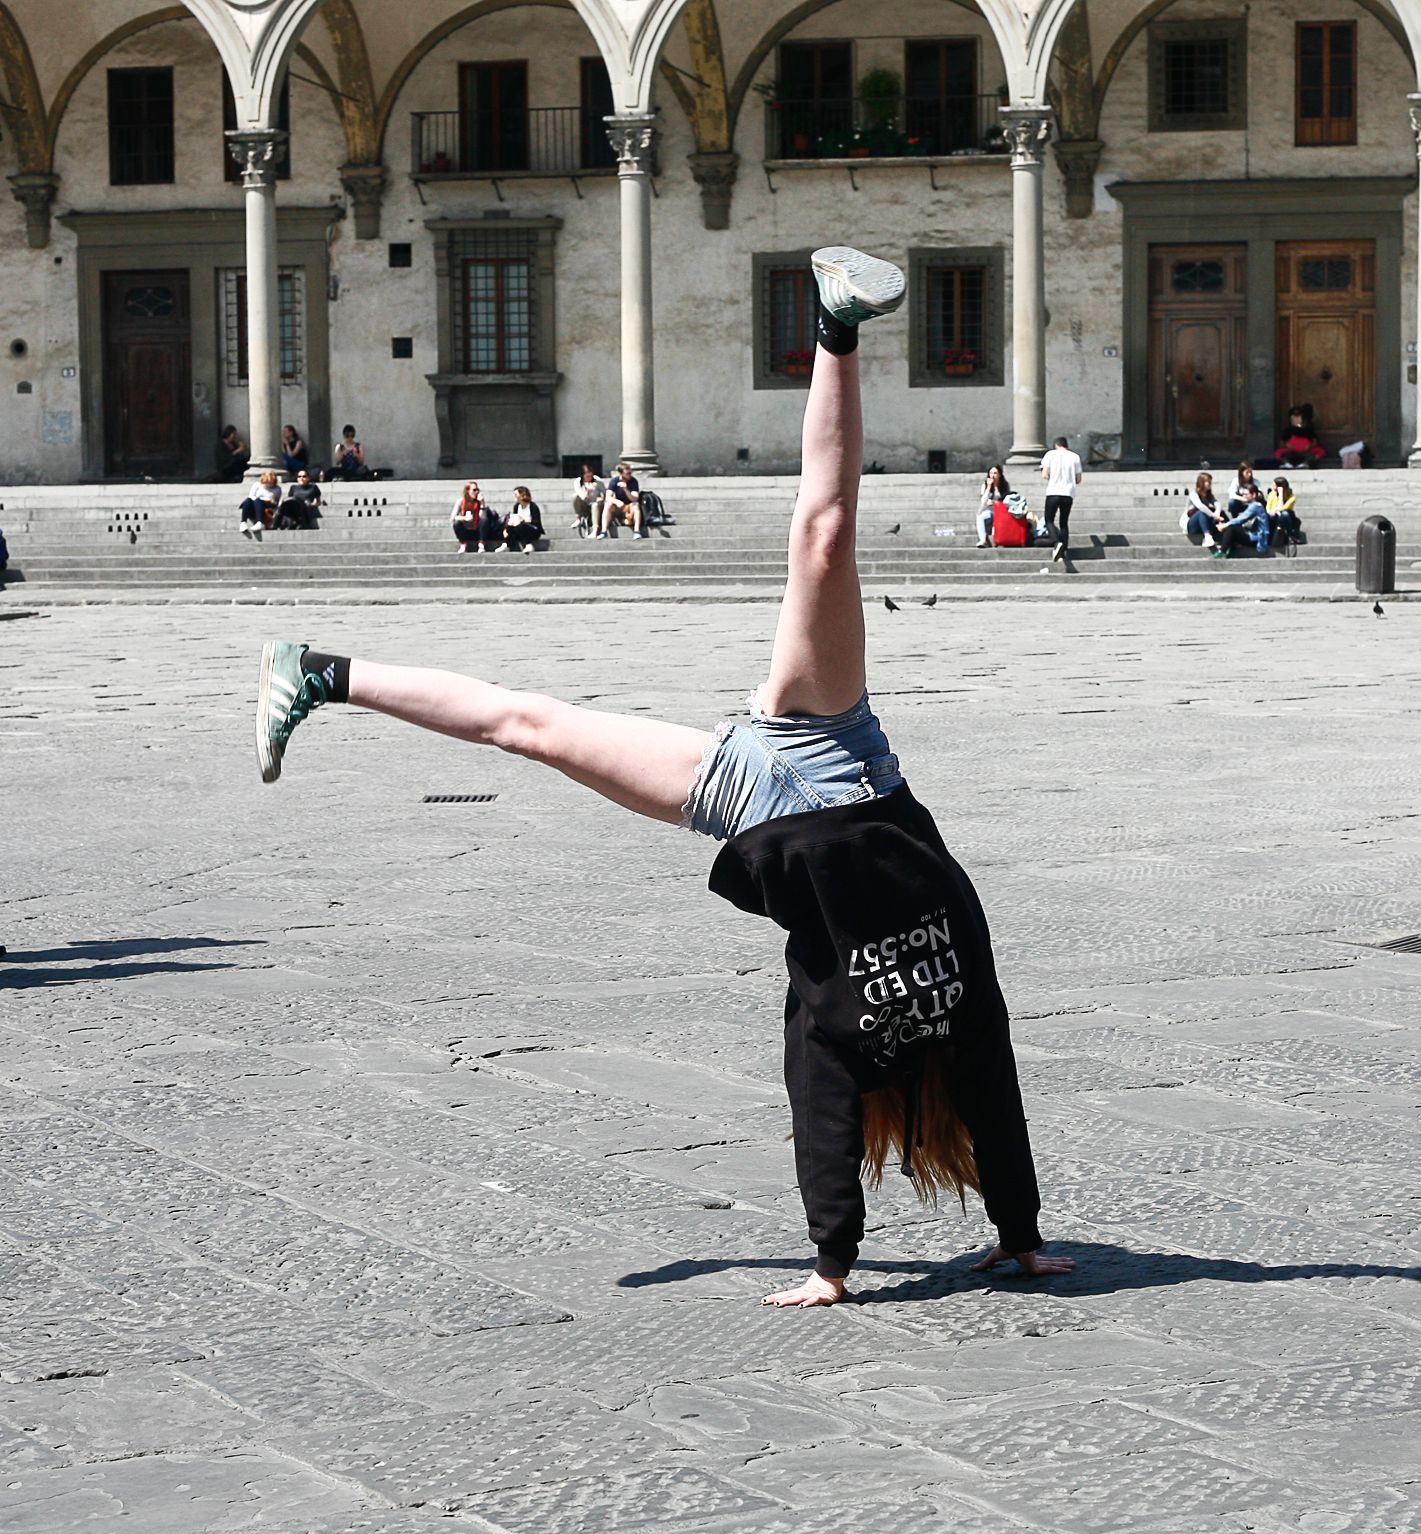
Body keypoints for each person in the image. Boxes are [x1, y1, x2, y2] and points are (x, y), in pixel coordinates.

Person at [251, 244, 1074, 1308]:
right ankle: (835, 325)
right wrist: (1019, 1231)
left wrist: (831, 1266)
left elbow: (817, 1107)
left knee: (528, 728)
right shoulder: (962, 1021)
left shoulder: (842, 1033)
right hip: (845, 760)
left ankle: (316, 672)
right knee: (824, 543)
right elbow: (997, 1089)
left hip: (751, 796)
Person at [1039, 437, 1082, 566]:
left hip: (1053, 491)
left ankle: (1057, 542)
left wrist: (1053, 476)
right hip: (1068, 493)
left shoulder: (1050, 455)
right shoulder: (1075, 457)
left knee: (1049, 520)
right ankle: (1064, 549)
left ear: (1056, 445)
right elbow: (1078, 479)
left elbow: (1045, 474)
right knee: (1064, 522)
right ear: (1066, 445)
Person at [451, 481, 502, 552]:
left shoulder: (479, 502)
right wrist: (464, 518)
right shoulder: (461, 501)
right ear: (467, 491)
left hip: (479, 531)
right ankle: (463, 545)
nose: (476, 492)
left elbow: (483, 518)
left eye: (478, 490)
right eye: (474, 490)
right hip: (467, 531)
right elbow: (453, 517)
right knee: (456, 523)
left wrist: (482, 504)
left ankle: (481, 544)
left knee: (484, 517)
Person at [601, 463, 643, 538]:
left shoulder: (633, 481)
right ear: (621, 473)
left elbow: (635, 498)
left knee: (636, 505)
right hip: (619, 507)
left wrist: (626, 489)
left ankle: (637, 531)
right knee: (608, 504)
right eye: (628, 473)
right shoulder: (614, 481)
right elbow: (608, 497)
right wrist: (616, 501)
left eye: (630, 472)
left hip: (629, 507)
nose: (630, 475)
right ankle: (604, 531)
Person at [238, 470, 281, 538]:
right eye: (267, 482)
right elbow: (251, 496)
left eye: (271, 483)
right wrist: (263, 499)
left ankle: (260, 522)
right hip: (254, 505)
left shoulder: (277, 489)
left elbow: (275, 502)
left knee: (258, 500)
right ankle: (243, 522)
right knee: (248, 500)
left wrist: (263, 500)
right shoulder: (257, 485)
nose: (269, 485)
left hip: (268, 507)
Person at [501, 486, 545, 552]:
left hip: (533, 530)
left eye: (515, 494)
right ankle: (506, 544)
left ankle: (528, 545)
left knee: (520, 524)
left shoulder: (533, 506)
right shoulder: (516, 506)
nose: (514, 496)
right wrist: (507, 528)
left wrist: (523, 520)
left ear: (522, 495)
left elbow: (536, 523)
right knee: (511, 525)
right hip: (520, 529)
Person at [975, 463, 1009, 548]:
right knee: (980, 516)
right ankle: (983, 540)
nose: (992, 475)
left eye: (995, 473)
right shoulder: (985, 485)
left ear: (1000, 474)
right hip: (988, 511)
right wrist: (989, 487)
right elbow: (983, 501)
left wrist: (995, 502)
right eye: (991, 473)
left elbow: (1007, 500)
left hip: (1000, 511)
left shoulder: (1004, 486)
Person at [1264, 475, 1301, 549]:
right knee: (1268, 516)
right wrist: (1271, 511)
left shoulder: (1291, 497)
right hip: (1273, 516)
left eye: (1274, 485)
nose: (1272, 487)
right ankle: (1268, 538)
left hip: (1284, 518)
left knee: (1284, 514)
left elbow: (1284, 508)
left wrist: (1280, 495)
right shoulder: (1271, 494)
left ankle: (1290, 535)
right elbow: (1268, 507)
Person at [572, 465, 607, 533]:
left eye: (590, 476)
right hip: (584, 504)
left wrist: (602, 498)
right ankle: (578, 518)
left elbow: (605, 493)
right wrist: (588, 491)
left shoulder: (598, 481)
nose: (589, 478)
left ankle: (595, 529)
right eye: (587, 476)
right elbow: (583, 497)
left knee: (595, 505)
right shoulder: (578, 482)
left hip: (596, 504)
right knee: (575, 496)